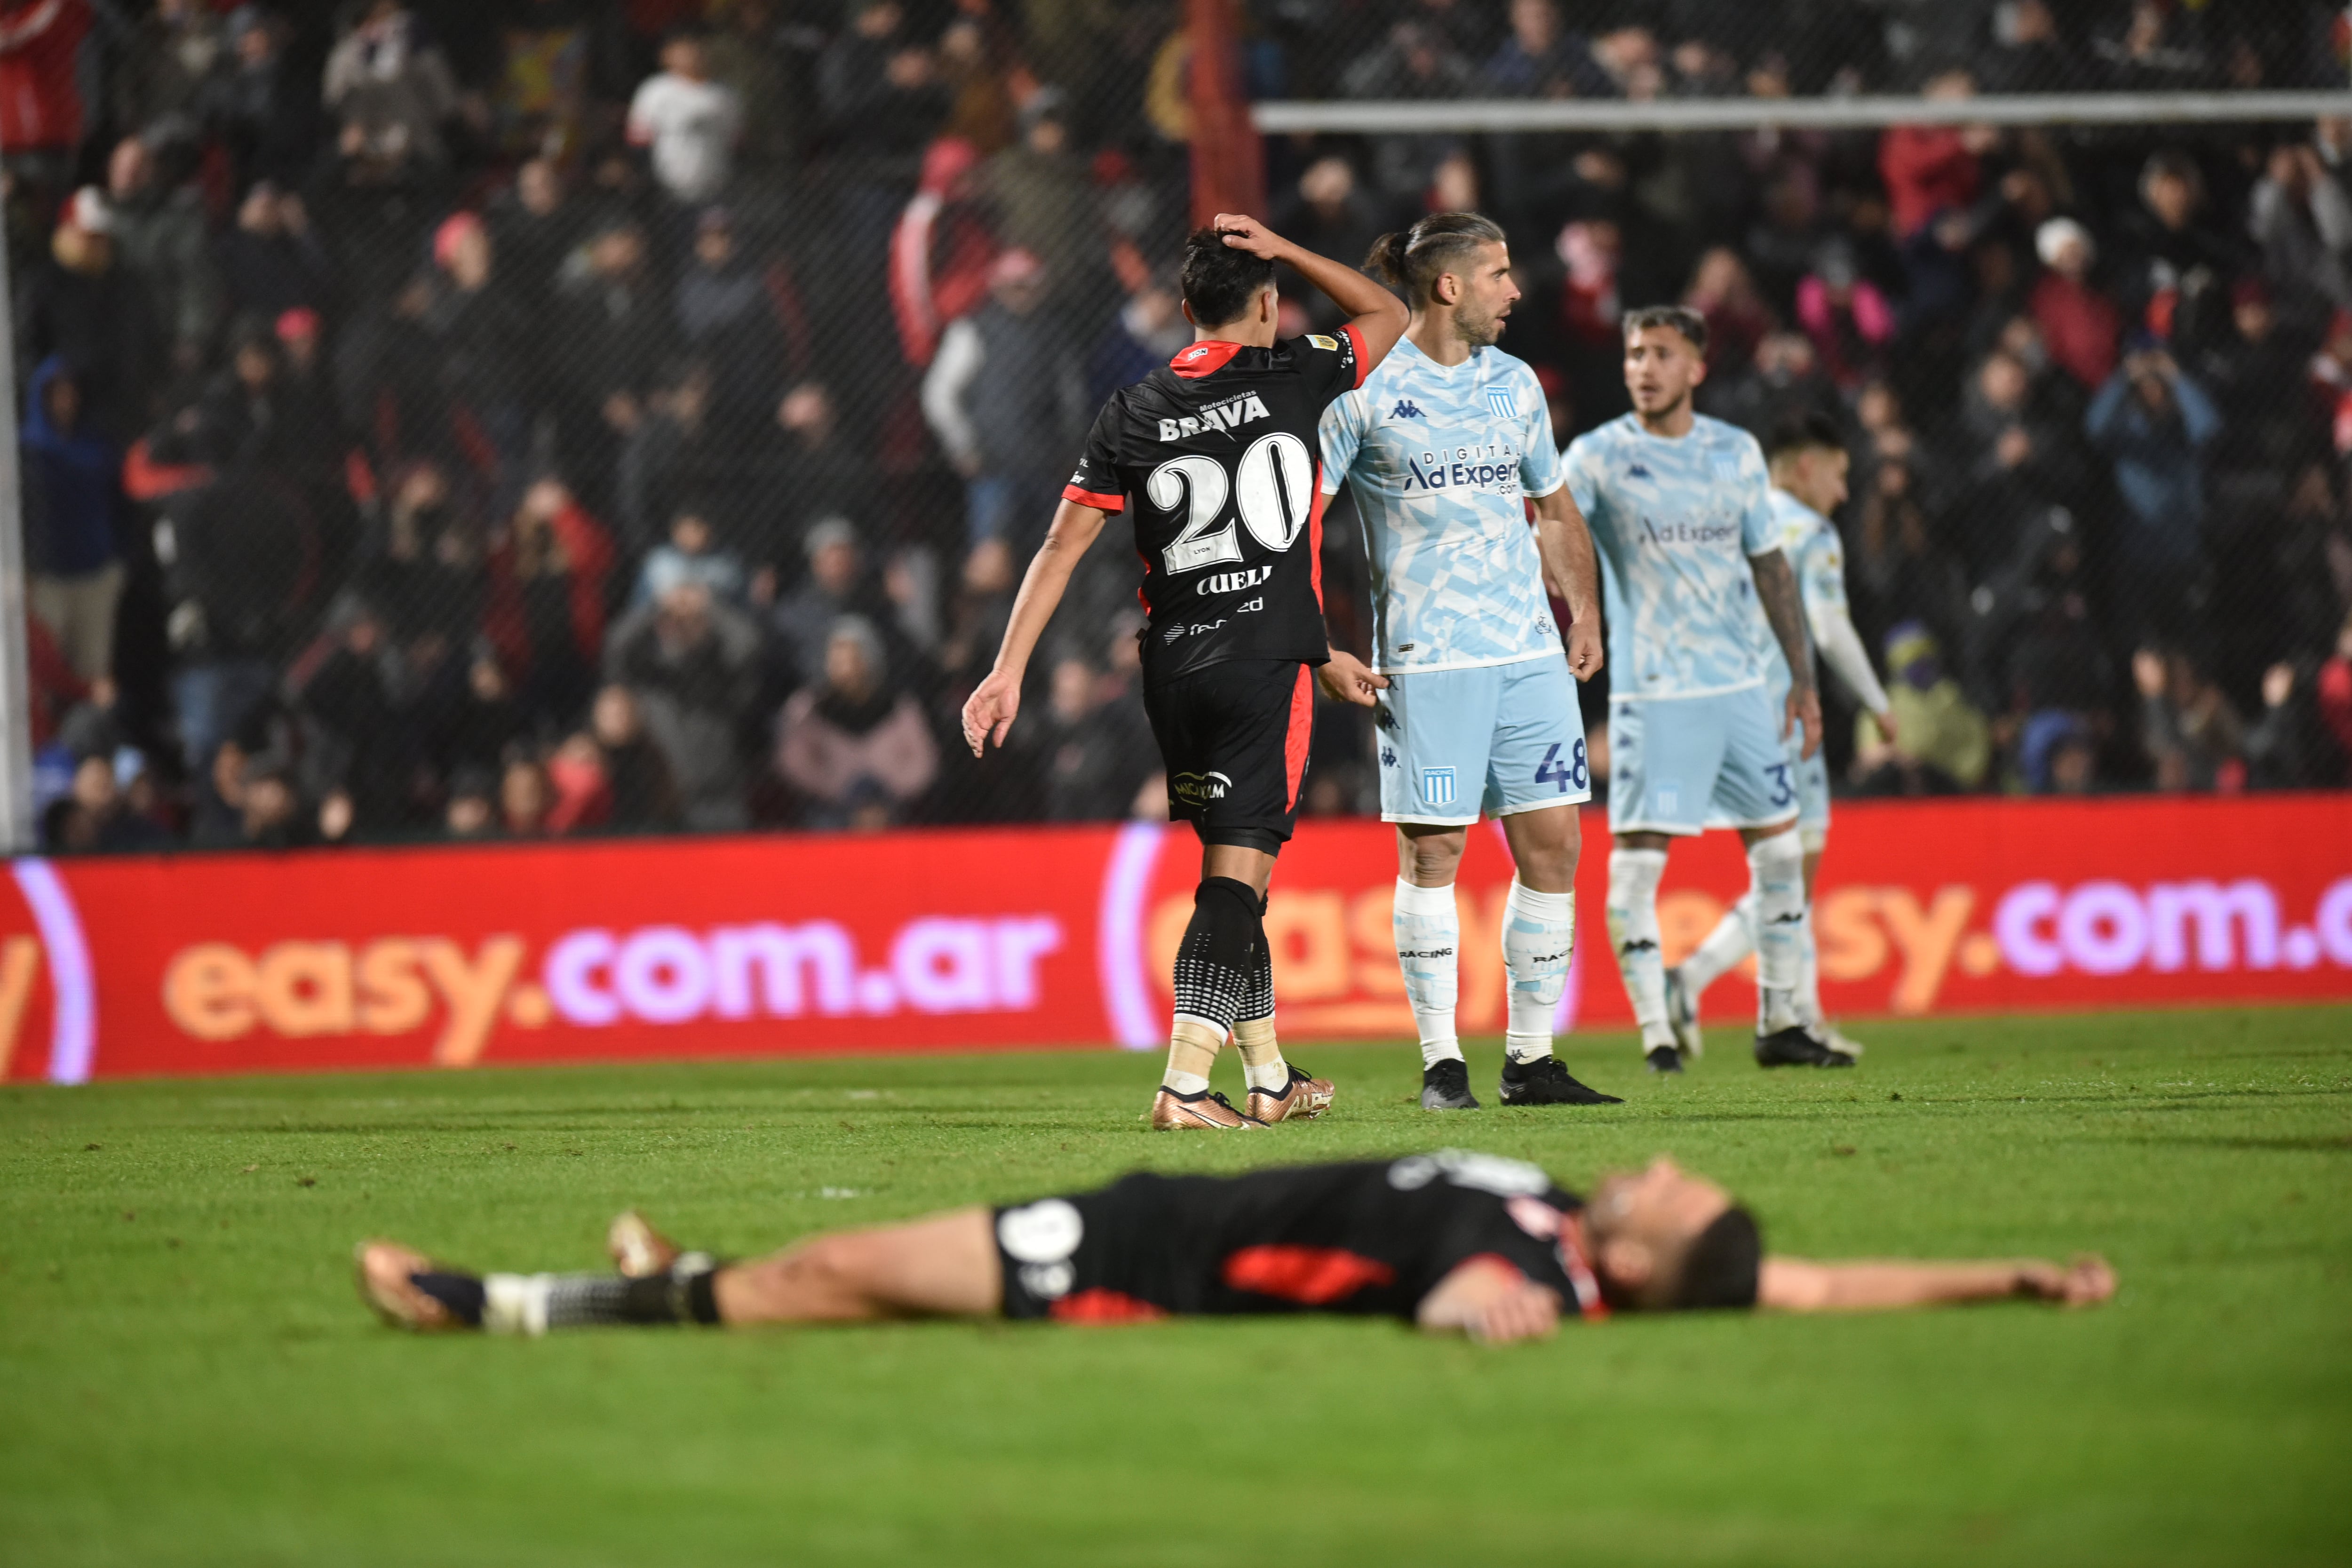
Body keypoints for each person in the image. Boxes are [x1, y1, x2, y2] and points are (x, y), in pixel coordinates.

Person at [961, 217, 1407, 1131]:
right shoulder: (1295, 371)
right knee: (1234, 887)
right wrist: (1282, 244)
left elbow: (1059, 545)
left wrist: (1006, 669)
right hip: (1260, 669)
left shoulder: (1133, 407)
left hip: (1175, 671)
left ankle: (1271, 1076)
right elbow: (1390, 311)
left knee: (1232, 874)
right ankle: (1185, 1085)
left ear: (1182, 311)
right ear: (1269, 303)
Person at [355, 1147, 2119, 1340]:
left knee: (825, 1285)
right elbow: (1812, 1284)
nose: (1656, 1168)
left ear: (1641, 1268)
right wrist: (2012, 1272)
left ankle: (491, 1306)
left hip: (1133, 1261)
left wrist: (1480, 1307)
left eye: (1675, 1200)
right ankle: (674, 1276)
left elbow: (1459, 1301)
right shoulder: (1574, 1226)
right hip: (1137, 1214)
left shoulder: (1532, 1266)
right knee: (824, 1280)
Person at [1315, 211, 1613, 1114]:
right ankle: (1443, 1063)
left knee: (1556, 846)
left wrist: (1584, 610)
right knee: (1435, 851)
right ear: (1448, 286)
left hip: (1527, 651)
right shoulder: (1360, 390)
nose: (1514, 292)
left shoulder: (1514, 384)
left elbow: (1554, 510)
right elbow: (1296, 527)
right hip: (1426, 659)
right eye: (1499, 274)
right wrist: (1318, 644)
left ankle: (1530, 1060)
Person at [1563, 306, 1841, 1076]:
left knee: (1783, 853)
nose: (1643, 368)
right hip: (1656, 695)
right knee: (1638, 868)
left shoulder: (1736, 452)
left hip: (1743, 690)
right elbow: (1552, 536)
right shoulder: (1596, 458)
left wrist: (1805, 686)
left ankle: (1781, 1021)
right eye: (1633, 354)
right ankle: (1657, 1032)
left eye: (1660, 354)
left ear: (1697, 368)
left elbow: (1770, 567)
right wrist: (1580, 612)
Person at [1668, 414, 1896, 1063]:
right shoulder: (1809, 532)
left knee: (1785, 872)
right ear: (1805, 466)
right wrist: (1879, 704)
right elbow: (1828, 628)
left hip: (1723, 714)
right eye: (1839, 475)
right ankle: (1714, 988)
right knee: (1793, 874)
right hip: (1786, 720)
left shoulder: (1729, 521)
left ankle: (1802, 1017)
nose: (1844, 493)